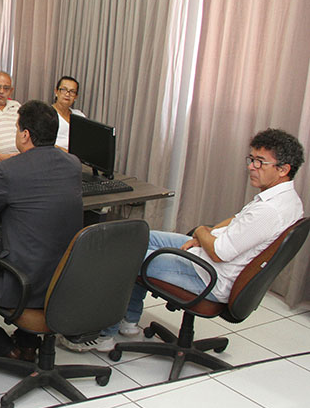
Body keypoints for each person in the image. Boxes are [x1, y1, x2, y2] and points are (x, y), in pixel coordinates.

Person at [61, 128, 306, 353]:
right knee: (139, 237)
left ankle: (105, 335)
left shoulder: (269, 211)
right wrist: (205, 235)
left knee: (125, 256)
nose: (252, 167)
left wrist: (201, 232)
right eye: (251, 159)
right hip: (207, 256)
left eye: (259, 162)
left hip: (207, 274)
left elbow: (221, 252)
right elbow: (236, 220)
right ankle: (129, 320)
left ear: (283, 169)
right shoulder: (286, 199)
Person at [0, 100, 83, 360]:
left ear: (25, 134)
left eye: (17, 128)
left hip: (25, 286)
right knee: (37, 246)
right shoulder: (73, 164)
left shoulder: (10, 170)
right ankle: (28, 343)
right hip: (66, 282)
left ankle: (7, 349)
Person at [52, 76, 85, 151]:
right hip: (55, 156)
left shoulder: (79, 115)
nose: (67, 94)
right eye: (64, 90)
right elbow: (40, 143)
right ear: (56, 92)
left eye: (72, 91)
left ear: (76, 97)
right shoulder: (46, 114)